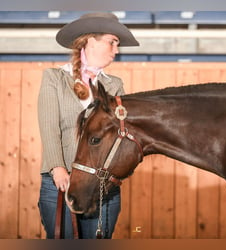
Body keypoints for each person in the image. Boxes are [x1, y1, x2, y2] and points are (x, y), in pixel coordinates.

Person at [37, 12, 139, 239]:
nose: (116, 50)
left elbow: (121, 134)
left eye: (117, 44)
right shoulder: (54, 78)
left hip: (103, 187)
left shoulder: (115, 85)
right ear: (90, 40)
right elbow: (49, 126)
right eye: (112, 42)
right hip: (59, 182)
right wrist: (58, 169)